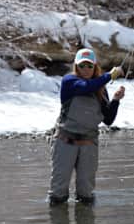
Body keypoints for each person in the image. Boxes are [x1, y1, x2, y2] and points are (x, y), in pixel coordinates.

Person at [49, 48, 125, 205]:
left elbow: (108, 120)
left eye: (89, 66)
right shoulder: (69, 81)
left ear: (95, 67)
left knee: (86, 195)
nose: (86, 69)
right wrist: (110, 75)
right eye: (82, 66)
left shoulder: (101, 89)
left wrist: (116, 101)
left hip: (89, 144)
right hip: (65, 142)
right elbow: (85, 86)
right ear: (76, 67)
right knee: (58, 193)